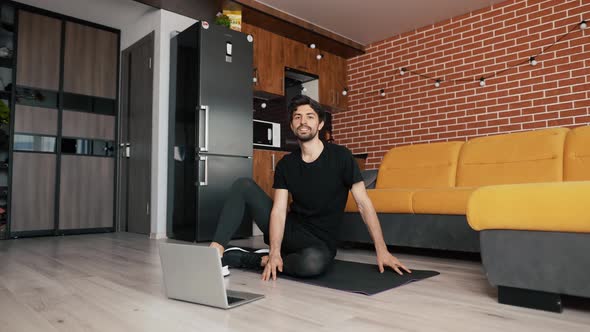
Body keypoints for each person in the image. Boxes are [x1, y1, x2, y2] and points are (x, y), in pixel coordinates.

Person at [210, 95, 411, 281]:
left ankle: (254, 260)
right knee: (243, 185)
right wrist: (275, 250)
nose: (303, 121)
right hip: (290, 231)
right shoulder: (286, 164)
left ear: (320, 123)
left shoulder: (341, 157)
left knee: (312, 265)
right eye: (297, 117)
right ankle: (215, 253)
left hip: (321, 243)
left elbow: (364, 204)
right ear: (292, 125)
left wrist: (382, 250)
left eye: (309, 116)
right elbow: (279, 211)